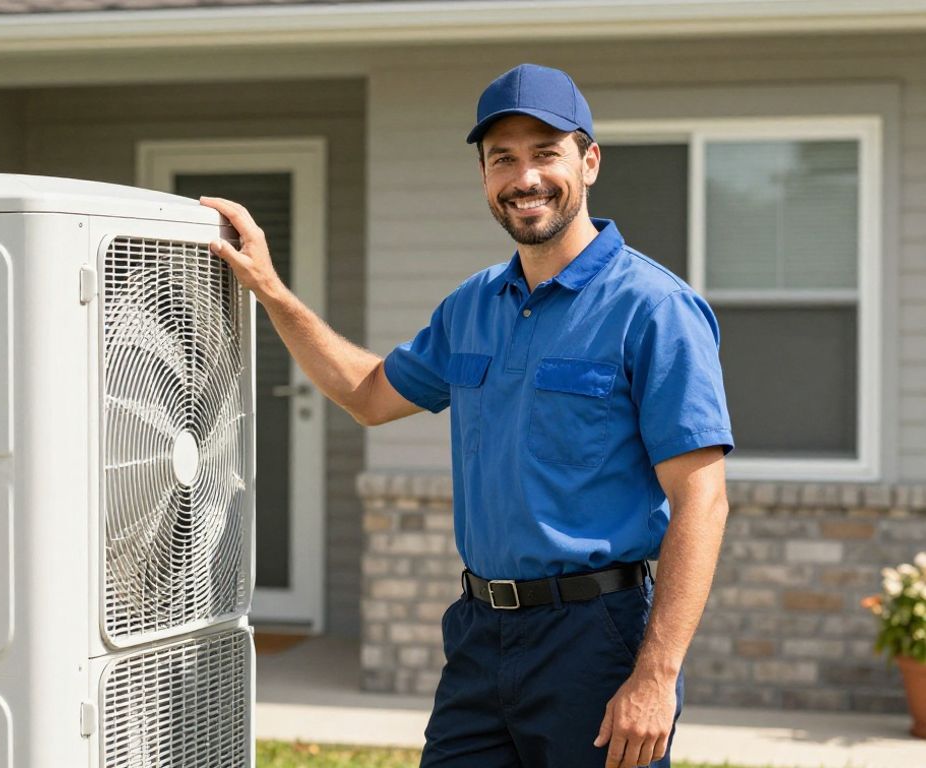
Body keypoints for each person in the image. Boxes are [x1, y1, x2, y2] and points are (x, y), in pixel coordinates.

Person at [200, 62, 733, 768]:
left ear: (590, 160)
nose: (525, 178)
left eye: (546, 153)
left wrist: (655, 676)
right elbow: (366, 392)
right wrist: (271, 291)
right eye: (502, 159)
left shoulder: (654, 309)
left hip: (596, 640)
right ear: (484, 176)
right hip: (482, 636)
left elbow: (702, 498)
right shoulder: (472, 307)